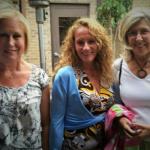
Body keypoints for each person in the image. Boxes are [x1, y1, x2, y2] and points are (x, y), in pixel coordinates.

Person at [50, 17, 115, 150]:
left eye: (91, 41)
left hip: (105, 143)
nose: (86, 48)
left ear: (100, 43)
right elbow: (56, 121)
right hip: (75, 145)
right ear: (73, 46)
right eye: (80, 42)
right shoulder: (65, 75)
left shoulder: (105, 72)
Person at [0, 3, 50, 150]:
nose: (10, 42)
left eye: (16, 36)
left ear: (25, 40)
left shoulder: (39, 77)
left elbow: (46, 125)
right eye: (3, 35)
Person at [108, 7, 150, 150]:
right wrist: (121, 118)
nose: (138, 38)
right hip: (129, 144)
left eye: (144, 31)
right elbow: (114, 102)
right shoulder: (118, 67)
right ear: (126, 38)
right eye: (132, 33)